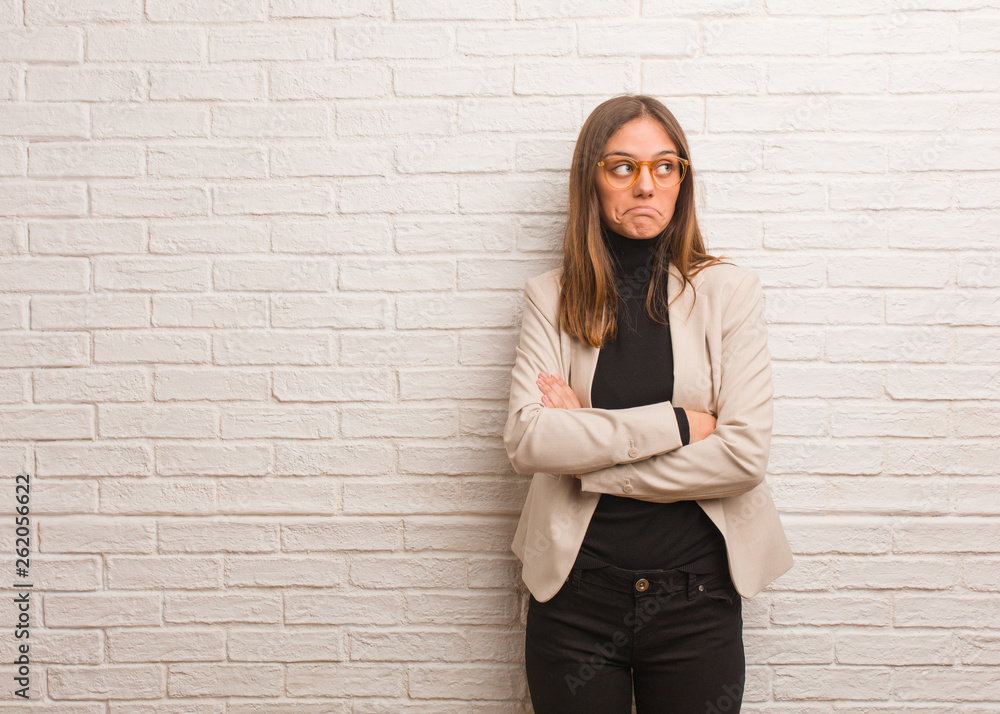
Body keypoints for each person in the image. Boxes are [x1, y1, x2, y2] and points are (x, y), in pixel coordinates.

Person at [502, 94, 794, 714]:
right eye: (622, 166)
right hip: (574, 600)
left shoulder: (730, 293)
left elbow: (743, 458)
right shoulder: (551, 298)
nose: (646, 184)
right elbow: (529, 441)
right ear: (592, 179)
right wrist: (680, 424)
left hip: (698, 600)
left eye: (665, 166)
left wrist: (588, 454)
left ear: (682, 182)